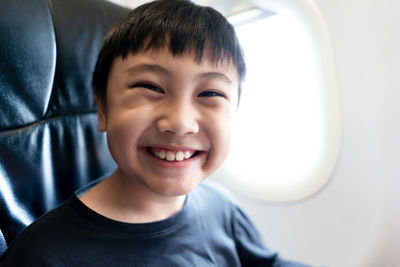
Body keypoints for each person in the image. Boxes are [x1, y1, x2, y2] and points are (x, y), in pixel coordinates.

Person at [0, 0, 311, 266]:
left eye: (211, 94)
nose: (179, 122)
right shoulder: (45, 254)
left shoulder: (220, 206)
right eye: (150, 87)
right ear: (103, 109)